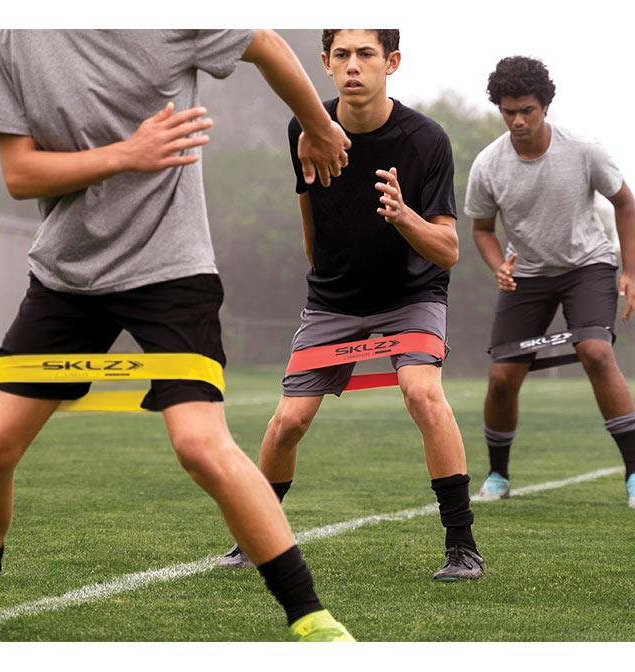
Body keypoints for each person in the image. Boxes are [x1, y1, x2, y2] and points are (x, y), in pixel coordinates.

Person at [0, 29, 355, 642]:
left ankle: (312, 621)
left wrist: (319, 125)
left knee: (200, 444)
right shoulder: (9, 35)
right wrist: (128, 153)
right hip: (68, 276)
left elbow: (263, 42)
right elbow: (20, 173)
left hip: (171, 270)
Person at [219, 29, 485, 581]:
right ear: (325, 62)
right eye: (341, 55)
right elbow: (308, 214)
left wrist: (403, 216)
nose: (353, 66)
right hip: (333, 301)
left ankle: (462, 548)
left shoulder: (426, 140)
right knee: (288, 421)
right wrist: (323, 280)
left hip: (412, 297)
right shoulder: (305, 126)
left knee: (422, 392)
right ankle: (253, 539)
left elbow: (449, 251)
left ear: (392, 62)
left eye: (366, 54)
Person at [465, 56, 635, 506]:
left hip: (588, 266)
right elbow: (482, 229)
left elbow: (625, 203)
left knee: (595, 351)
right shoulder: (487, 165)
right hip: (528, 275)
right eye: (509, 112)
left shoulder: (583, 150)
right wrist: (498, 265)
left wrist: (630, 271)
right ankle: (498, 476)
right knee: (502, 377)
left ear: (544, 106)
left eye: (527, 110)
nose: (518, 121)